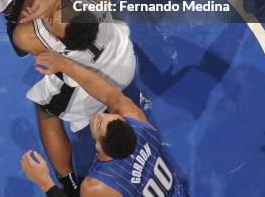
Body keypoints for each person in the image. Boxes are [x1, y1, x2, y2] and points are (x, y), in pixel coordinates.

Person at [13, 0, 136, 196]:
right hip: (123, 63)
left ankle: (67, 184)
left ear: (58, 42)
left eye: (49, 19)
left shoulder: (41, 40)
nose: (48, 12)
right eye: (59, 8)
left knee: (46, 111)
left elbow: (20, 35)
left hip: (87, 90)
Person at [21, 49, 186, 196]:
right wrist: (64, 64)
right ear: (127, 124)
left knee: (46, 108)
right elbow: (108, 95)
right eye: (109, 117)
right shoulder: (133, 117)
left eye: (100, 123)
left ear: (99, 147)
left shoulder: (96, 187)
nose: (100, 114)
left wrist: (44, 182)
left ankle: (69, 186)